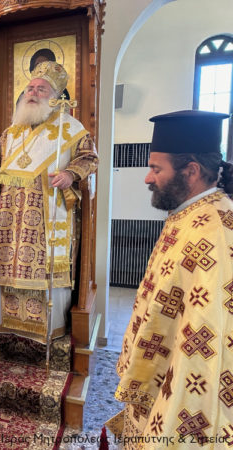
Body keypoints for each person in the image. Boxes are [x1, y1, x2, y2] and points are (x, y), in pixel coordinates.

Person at [111, 110, 233, 448]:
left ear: (191, 171)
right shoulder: (189, 213)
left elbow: (208, 338)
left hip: (183, 390)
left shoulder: (215, 232)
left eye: (156, 168)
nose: (147, 178)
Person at [0, 61, 98, 340]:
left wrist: (70, 174)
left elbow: (89, 158)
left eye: (41, 89)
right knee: (7, 265)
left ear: (55, 97)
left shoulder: (71, 129)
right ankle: (6, 325)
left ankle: (45, 329)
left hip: (47, 217)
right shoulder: (12, 131)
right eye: (30, 88)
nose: (33, 93)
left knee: (43, 271)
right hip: (10, 220)